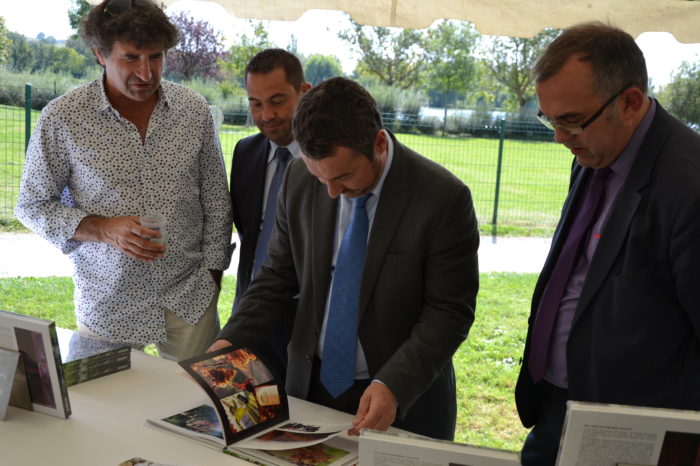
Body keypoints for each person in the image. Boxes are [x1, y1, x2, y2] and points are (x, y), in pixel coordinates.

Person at [210, 77, 479, 440]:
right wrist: (230, 340)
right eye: (322, 180)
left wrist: (394, 384)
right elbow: (277, 275)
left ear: (379, 144)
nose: (333, 192)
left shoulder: (443, 198)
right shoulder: (301, 177)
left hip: (400, 399)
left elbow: (448, 313)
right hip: (311, 388)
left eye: (345, 176)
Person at [515, 22, 700, 465]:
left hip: (632, 435)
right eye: (551, 120)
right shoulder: (596, 150)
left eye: (572, 121)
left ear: (630, 102)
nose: (559, 137)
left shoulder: (689, 185)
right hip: (555, 409)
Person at [14, 0, 232, 361]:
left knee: (195, 408)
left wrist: (212, 277)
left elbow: (215, 200)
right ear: (100, 55)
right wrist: (102, 229)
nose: (146, 73)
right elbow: (33, 205)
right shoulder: (64, 117)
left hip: (189, 299)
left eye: (156, 57)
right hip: (108, 303)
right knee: (99, 412)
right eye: (131, 58)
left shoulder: (193, 110)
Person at [229, 49, 310, 366]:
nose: (266, 115)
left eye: (277, 101)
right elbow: (247, 231)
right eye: (255, 104)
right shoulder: (246, 151)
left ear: (304, 92)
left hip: (305, 320)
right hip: (250, 311)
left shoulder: (327, 165)